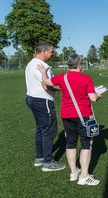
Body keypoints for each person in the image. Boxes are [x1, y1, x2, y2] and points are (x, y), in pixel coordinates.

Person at [37, 54, 100, 186]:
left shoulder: (62, 77)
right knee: (86, 144)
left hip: (66, 115)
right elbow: (93, 98)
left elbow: (46, 82)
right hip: (83, 115)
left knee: (70, 143)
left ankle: (73, 172)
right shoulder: (86, 78)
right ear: (79, 65)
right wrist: (99, 95)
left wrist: (43, 72)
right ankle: (84, 176)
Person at [25, 41, 66, 171]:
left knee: (40, 128)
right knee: (49, 129)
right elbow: (47, 85)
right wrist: (65, 87)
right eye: (51, 51)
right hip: (42, 100)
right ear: (44, 52)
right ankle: (48, 162)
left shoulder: (31, 64)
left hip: (32, 98)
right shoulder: (41, 65)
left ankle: (40, 157)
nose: (52, 53)